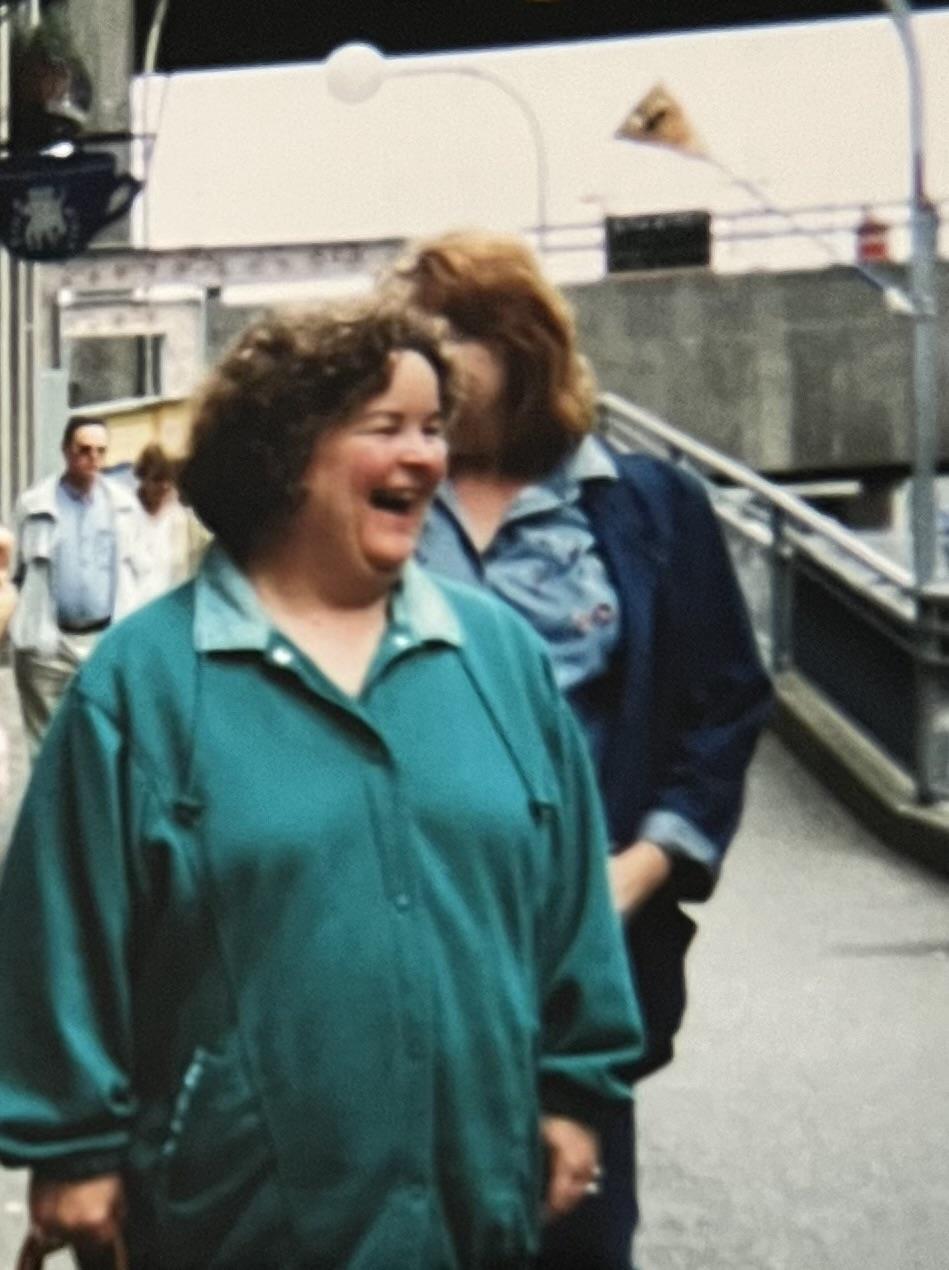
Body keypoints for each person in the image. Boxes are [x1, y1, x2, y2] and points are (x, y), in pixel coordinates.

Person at [0, 300, 643, 1269]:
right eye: (384, 428)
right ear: (286, 452)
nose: (425, 456)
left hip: (474, 1200)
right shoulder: (148, 681)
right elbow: (62, 927)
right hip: (229, 1214)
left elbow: (567, 905)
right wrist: (70, 1145)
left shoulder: (498, 658)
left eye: (433, 428)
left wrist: (575, 1085)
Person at [387, 230, 773, 1269]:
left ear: (523, 345)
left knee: (575, 1223)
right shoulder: (380, 497)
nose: (429, 360)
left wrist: (639, 869)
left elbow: (725, 701)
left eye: (454, 335)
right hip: (403, 932)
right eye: (413, 340)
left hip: (579, 944)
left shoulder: (645, 506)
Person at [8, 413, 145, 758]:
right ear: (66, 450)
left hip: (103, 640)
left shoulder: (123, 506)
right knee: (46, 747)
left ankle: (86, 810)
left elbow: (139, 571)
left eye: (101, 451)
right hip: (48, 646)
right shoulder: (34, 505)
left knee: (100, 741)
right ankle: (51, 811)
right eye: (84, 450)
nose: (93, 459)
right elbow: (13, 574)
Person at [133, 441, 211, 602]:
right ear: (143, 478)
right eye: (157, 479)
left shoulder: (184, 521)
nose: (164, 486)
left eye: (168, 479)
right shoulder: (127, 516)